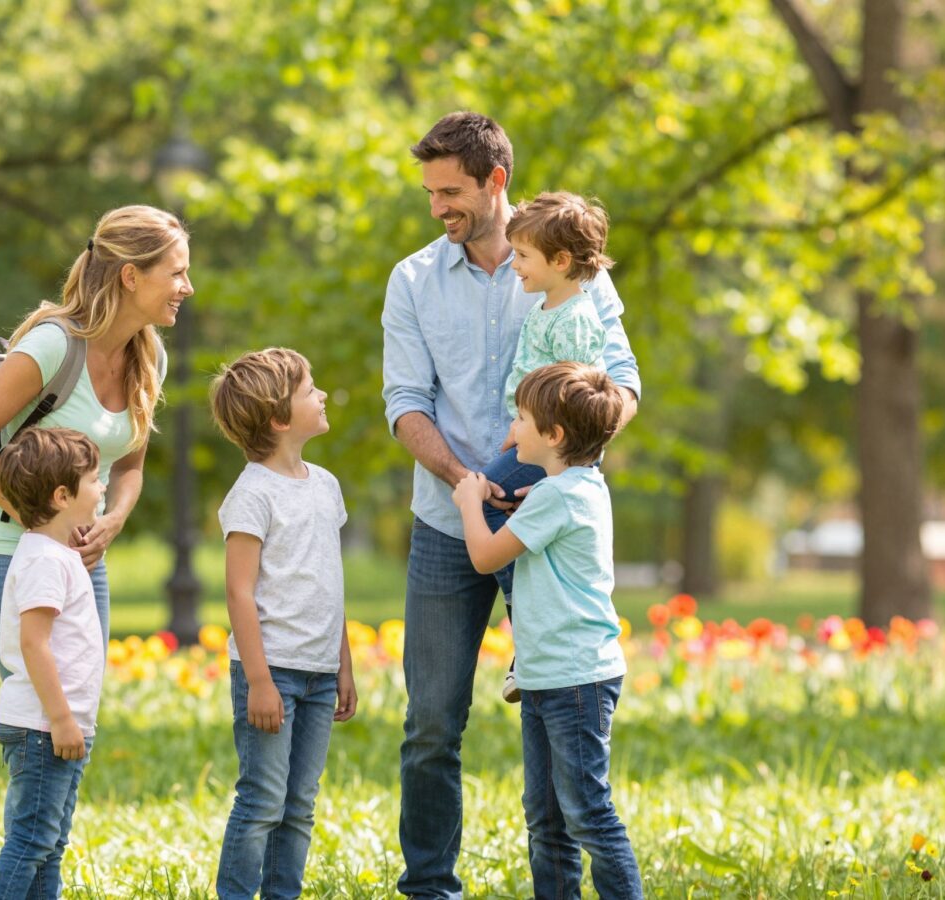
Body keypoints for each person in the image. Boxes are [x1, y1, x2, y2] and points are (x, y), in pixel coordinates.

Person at [381, 111, 641, 898]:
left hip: (548, 523)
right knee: (431, 724)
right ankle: (430, 886)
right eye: (430, 193)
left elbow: (622, 385)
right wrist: (470, 479)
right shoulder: (414, 279)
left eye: (451, 191)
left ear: (497, 179)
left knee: (557, 712)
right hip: (448, 521)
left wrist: (571, 459)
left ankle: (556, 881)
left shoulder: (573, 268)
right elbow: (404, 404)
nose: (438, 209)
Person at [0, 204, 191, 678]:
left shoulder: (149, 356)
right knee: (41, 723)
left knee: (76, 714)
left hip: (82, 565)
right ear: (131, 276)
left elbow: (129, 465)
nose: (188, 287)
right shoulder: (53, 345)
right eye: (177, 273)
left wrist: (115, 519)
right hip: (8, 556)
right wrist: (42, 522)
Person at [452, 362, 642, 899]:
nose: (513, 429)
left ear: (554, 436)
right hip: (549, 676)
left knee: (586, 813)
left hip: (574, 680)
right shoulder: (576, 487)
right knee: (546, 813)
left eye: (522, 418)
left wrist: (470, 501)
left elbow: (487, 556)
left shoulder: (558, 497)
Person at [209, 347, 358, 899]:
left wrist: (343, 665)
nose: (321, 396)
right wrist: (262, 681)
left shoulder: (325, 484)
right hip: (270, 674)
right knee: (263, 801)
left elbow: (330, 582)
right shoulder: (252, 493)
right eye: (309, 390)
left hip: (319, 675)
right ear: (277, 419)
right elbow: (239, 593)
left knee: (298, 806)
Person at [480, 191, 615, 702]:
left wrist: (526, 428)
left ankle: (529, 638)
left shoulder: (576, 317)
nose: (515, 266)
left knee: (490, 501)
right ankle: (530, 637)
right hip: (533, 439)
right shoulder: (547, 307)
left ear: (560, 261)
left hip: (552, 452)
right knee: (502, 507)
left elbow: (576, 395)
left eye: (524, 257)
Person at [0, 427, 107, 899]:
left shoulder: (57, 553)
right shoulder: (44, 561)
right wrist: (61, 720)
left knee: (50, 843)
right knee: (32, 840)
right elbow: (34, 645)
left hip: (57, 728)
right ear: (62, 495)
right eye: (95, 481)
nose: (102, 489)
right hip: (44, 729)